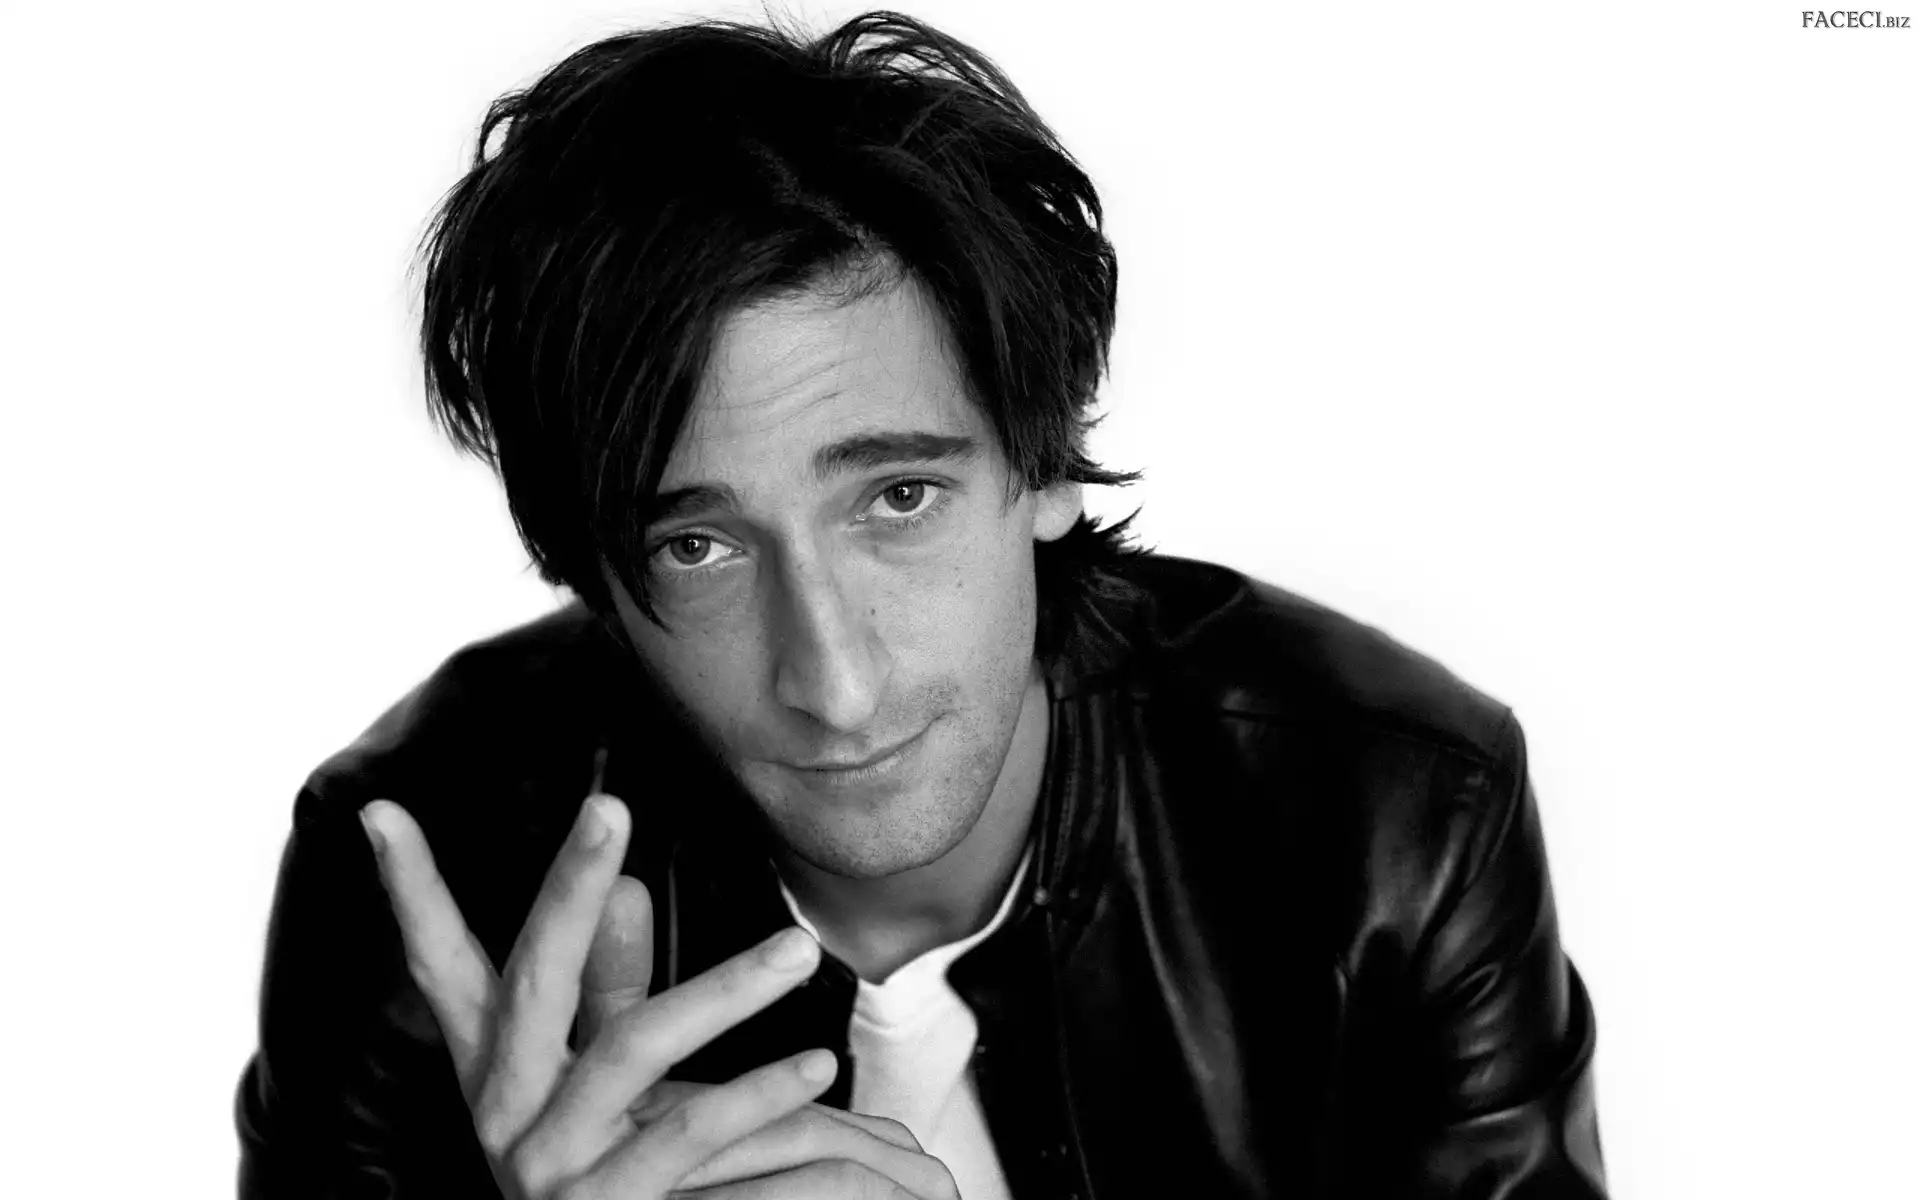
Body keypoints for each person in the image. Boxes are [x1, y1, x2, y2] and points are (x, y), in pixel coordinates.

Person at [234, 10, 1607, 1198]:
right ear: (591, 575)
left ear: (1045, 459)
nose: (833, 683)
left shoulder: (1395, 815)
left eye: (898, 499)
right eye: (698, 547)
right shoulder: (432, 869)